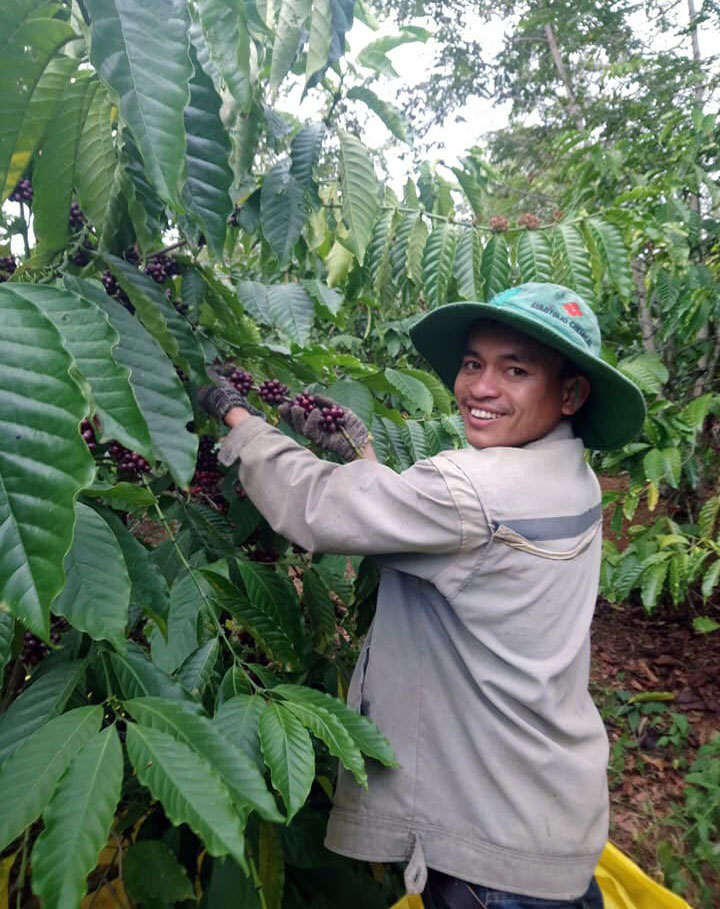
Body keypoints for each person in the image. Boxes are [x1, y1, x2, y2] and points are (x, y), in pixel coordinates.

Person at [199, 282, 646, 909]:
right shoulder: (574, 478)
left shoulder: (476, 489)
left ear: (571, 393)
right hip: (549, 816)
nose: (481, 388)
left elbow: (318, 509)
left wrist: (238, 419)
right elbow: (436, 532)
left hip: (487, 850)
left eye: (515, 370)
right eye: (473, 364)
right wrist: (363, 456)